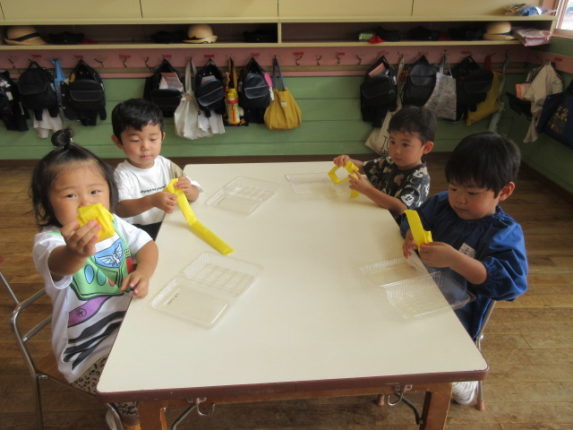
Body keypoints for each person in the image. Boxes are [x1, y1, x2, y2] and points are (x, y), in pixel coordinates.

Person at [31, 129, 158, 430]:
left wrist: (143, 271)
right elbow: (61, 264)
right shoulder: (49, 243)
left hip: (130, 327)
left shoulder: (114, 222)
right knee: (136, 393)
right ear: (47, 203)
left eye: (95, 191)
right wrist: (75, 252)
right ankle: (127, 418)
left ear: (110, 193)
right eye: (70, 195)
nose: (85, 202)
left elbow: (147, 245)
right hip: (87, 352)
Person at [401, 131, 528, 406]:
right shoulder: (441, 204)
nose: (459, 199)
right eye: (454, 188)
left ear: (504, 191)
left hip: (459, 317)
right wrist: (411, 232)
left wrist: (456, 260)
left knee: (447, 376)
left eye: (472, 193)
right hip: (421, 293)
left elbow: (510, 285)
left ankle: (463, 378)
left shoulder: (503, 233)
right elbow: (414, 218)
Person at [111, 98, 201, 239]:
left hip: (170, 223)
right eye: (135, 140)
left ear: (162, 137)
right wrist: (151, 201)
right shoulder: (122, 174)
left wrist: (189, 190)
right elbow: (121, 209)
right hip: (139, 231)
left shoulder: (167, 165)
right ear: (118, 142)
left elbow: (195, 193)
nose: (145, 147)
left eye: (153, 139)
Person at [332, 105, 436, 218]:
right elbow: (363, 167)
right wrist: (348, 161)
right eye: (392, 142)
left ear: (426, 148)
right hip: (377, 214)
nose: (396, 150)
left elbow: (400, 208)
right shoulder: (390, 161)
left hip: (396, 226)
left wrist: (367, 190)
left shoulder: (420, 179)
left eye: (405, 144)